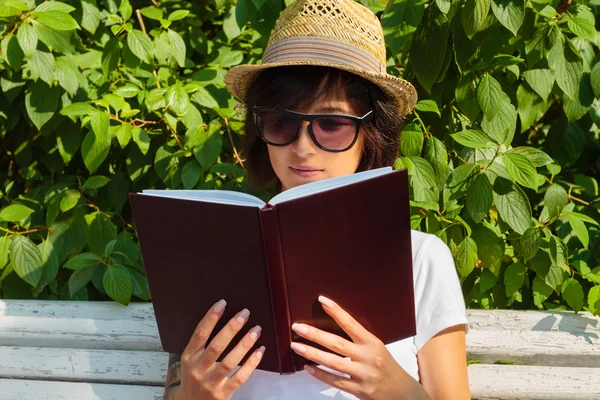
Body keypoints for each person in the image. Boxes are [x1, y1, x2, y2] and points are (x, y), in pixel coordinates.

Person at [163, 0, 470, 398]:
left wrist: (394, 388)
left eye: (332, 124)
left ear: (371, 134)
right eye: (282, 121)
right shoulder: (209, 254)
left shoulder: (420, 259)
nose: (303, 148)